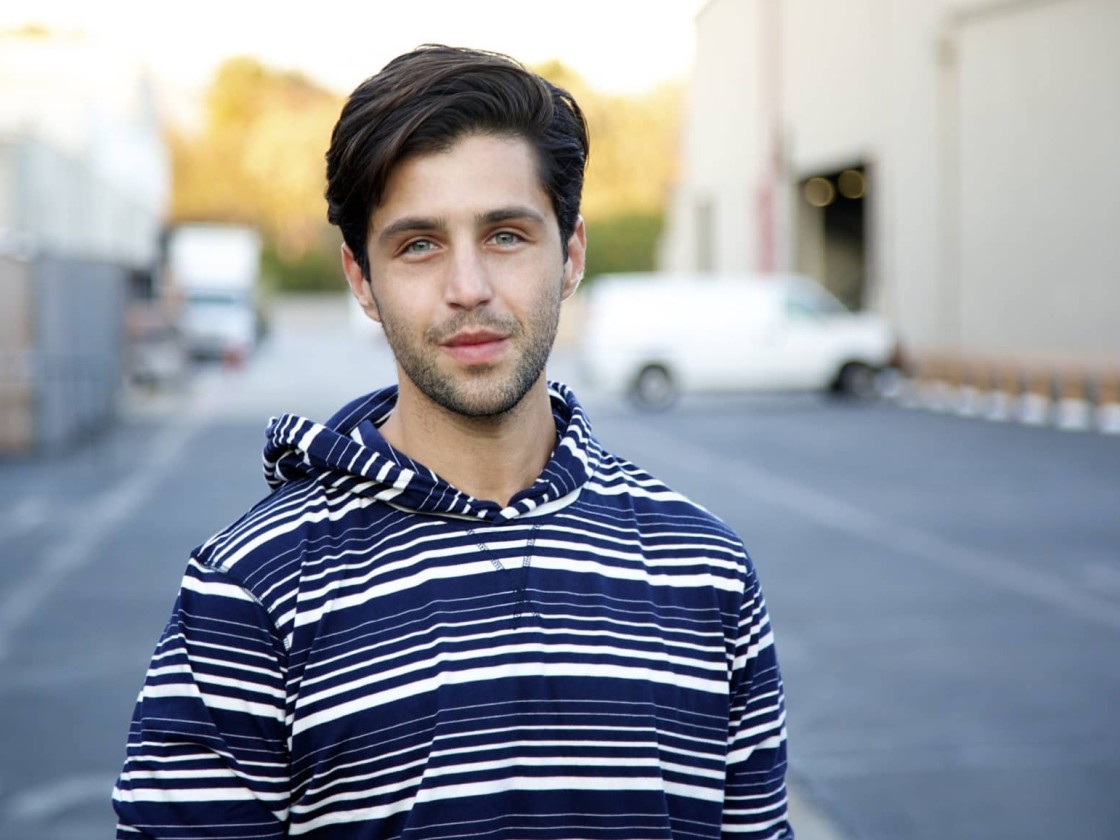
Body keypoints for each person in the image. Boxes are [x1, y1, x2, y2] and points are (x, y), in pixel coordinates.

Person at [114, 45, 793, 840]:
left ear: (570, 256)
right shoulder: (251, 590)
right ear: (362, 279)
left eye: (506, 235)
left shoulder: (704, 567)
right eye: (419, 244)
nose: (467, 287)